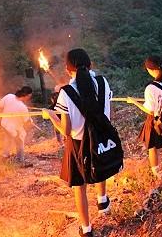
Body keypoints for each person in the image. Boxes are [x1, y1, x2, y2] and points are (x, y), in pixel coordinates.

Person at [43, 49, 114, 237]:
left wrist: (51, 116)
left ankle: (86, 229)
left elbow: (66, 130)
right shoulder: (103, 82)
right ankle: (103, 201)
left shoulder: (65, 93)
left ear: (68, 69)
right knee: (98, 165)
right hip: (102, 136)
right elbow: (107, 112)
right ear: (90, 65)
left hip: (78, 144)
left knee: (79, 186)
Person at [128, 56, 162, 182]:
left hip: (155, 121)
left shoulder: (150, 88)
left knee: (151, 145)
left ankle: (156, 172)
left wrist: (134, 102)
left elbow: (150, 110)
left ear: (150, 69)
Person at [0, 86, 33, 164]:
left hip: (4, 124)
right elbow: (26, 121)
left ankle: (5, 156)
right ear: (26, 95)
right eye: (29, 96)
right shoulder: (23, 107)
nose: (29, 98)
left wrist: (7, 110)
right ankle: (20, 161)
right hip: (14, 129)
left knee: (7, 139)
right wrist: (30, 121)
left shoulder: (9, 96)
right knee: (20, 142)